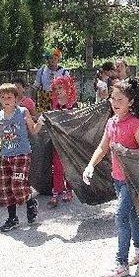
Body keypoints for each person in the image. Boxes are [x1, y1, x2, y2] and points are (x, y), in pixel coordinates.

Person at [82, 78, 139, 277]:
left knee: (121, 216)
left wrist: (127, 151)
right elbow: (103, 147)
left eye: (119, 99)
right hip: (118, 178)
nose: (115, 102)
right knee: (130, 216)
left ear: (130, 102)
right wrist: (90, 165)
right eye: (113, 98)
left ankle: (121, 263)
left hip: (133, 179)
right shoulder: (111, 122)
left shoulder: (136, 125)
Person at [0, 83, 45, 232]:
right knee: (6, 189)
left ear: (16, 99)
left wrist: (39, 123)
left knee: (17, 185)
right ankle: (12, 218)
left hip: (22, 155)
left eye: (9, 97)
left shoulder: (22, 112)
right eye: (3, 97)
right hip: (6, 156)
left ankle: (31, 201)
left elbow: (33, 130)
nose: (6, 100)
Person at [48, 76, 78, 207]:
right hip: (56, 140)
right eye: (55, 88)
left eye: (60, 87)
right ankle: (57, 190)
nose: (58, 91)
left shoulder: (73, 104)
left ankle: (69, 189)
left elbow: (76, 122)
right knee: (57, 166)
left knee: (68, 166)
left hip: (69, 141)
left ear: (67, 87)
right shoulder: (54, 104)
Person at [33, 48, 69, 113]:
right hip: (44, 101)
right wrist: (33, 102)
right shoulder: (41, 71)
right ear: (47, 59)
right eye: (51, 58)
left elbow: (68, 89)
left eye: (55, 58)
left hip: (59, 101)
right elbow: (35, 87)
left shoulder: (64, 73)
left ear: (58, 60)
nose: (53, 60)